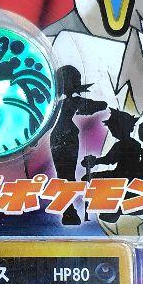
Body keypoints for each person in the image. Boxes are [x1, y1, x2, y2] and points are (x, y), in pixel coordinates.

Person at [50, 64, 106, 225]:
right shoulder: (71, 102)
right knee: (67, 176)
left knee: (64, 176)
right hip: (67, 139)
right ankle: (69, 212)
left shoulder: (55, 104)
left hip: (57, 139)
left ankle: (69, 211)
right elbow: (99, 105)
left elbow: (97, 105)